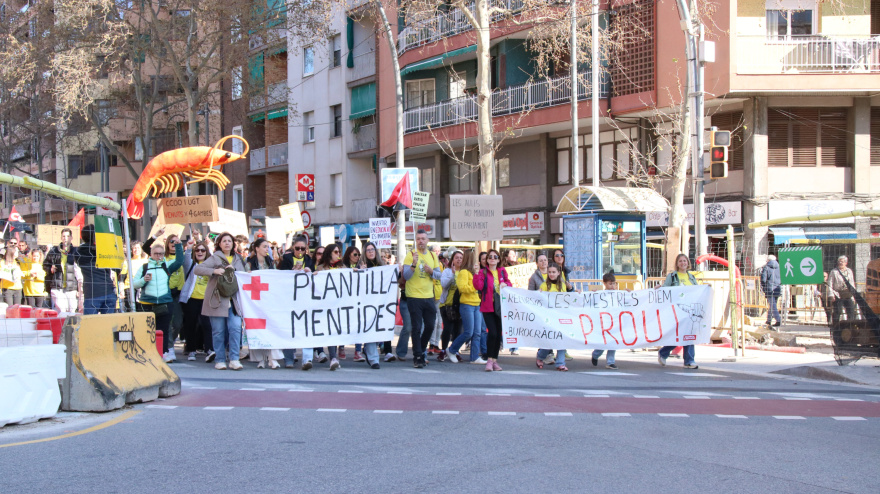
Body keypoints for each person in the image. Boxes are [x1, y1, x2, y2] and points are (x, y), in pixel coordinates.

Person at [194, 232, 246, 371]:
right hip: (217, 300)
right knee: (218, 331)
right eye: (224, 241)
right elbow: (198, 269)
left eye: (229, 241)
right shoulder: (215, 257)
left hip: (233, 301)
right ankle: (220, 360)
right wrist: (214, 271)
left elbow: (245, 275)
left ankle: (234, 359)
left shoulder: (238, 258)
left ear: (233, 244)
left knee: (235, 329)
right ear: (219, 244)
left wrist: (234, 269)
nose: (227, 243)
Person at [132, 238, 185, 363]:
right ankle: (146, 352)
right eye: (156, 254)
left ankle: (164, 352)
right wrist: (144, 280)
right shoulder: (144, 267)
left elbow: (179, 261)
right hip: (147, 303)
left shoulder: (166, 266)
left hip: (164, 302)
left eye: (161, 254)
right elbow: (134, 284)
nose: (158, 256)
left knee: (164, 329)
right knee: (147, 330)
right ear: (151, 254)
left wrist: (178, 246)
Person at [402, 229, 442, 369]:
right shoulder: (410, 255)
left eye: (423, 238)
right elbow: (405, 276)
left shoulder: (432, 255)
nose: (420, 241)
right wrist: (413, 265)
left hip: (429, 296)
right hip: (414, 296)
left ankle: (421, 349)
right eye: (418, 238)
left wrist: (431, 272)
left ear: (427, 241)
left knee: (430, 326)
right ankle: (418, 356)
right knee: (417, 327)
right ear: (416, 240)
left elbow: (439, 275)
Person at [245, 238, 283, 369]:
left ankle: (273, 358)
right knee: (257, 328)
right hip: (254, 301)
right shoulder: (249, 263)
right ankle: (260, 358)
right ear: (256, 248)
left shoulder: (270, 263)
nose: (267, 249)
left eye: (268, 247)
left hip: (268, 300)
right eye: (265, 247)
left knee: (272, 327)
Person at [657, 253, 700, 369]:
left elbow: (697, 290)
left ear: (688, 263)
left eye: (684, 261)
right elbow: (666, 288)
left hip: (689, 310)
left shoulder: (691, 277)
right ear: (677, 264)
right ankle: (664, 352)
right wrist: (660, 288)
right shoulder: (672, 276)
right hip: (677, 310)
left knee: (689, 335)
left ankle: (689, 360)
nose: (683, 263)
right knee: (678, 335)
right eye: (680, 261)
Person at [278, 235, 313, 368]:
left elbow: (315, 278)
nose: (299, 251)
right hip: (289, 299)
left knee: (308, 329)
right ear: (293, 248)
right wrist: (290, 272)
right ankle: (289, 359)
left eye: (302, 249)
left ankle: (307, 359)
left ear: (306, 249)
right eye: (297, 248)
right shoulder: (286, 259)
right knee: (289, 328)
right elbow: (280, 276)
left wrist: (310, 271)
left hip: (305, 299)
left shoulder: (309, 260)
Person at [473, 249, 510, 372]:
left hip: (500, 306)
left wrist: (506, 284)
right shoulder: (483, 272)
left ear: (499, 259)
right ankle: (489, 359)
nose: (492, 258)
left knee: (498, 333)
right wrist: (477, 273)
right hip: (488, 306)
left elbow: (509, 284)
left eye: (495, 257)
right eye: (490, 257)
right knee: (492, 333)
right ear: (487, 260)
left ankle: (494, 360)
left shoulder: (502, 271)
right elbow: (478, 286)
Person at [446, 249, 485, 364]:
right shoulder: (463, 272)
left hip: (477, 304)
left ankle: (474, 357)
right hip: (467, 304)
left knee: (477, 332)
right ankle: (452, 349)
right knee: (469, 332)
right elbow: (462, 288)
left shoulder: (475, 272)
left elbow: (481, 285)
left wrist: (477, 277)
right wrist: (475, 287)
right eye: (475, 258)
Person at [308, 244, 343, 370]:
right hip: (326, 305)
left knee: (336, 331)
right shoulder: (321, 268)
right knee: (330, 330)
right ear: (329, 253)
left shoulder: (342, 266)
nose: (338, 254)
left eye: (339, 252)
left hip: (340, 304)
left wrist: (355, 272)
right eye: (335, 252)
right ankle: (333, 357)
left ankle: (334, 356)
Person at [71, 225, 118, 315]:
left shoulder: (78, 253)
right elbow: (114, 268)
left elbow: (78, 261)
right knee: (108, 325)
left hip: (92, 293)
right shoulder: (104, 251)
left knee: (90, 325)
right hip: (108, 289)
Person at [180, 240, 214, 362]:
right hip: (191, 300)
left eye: (203, 250)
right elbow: (186, 259)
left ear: (207, 252)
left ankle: (209, 349)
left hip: (206, 300)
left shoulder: (211, 266)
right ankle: (191, 350)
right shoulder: (191, 264)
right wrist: (189, 248)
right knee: (190, 325)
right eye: (197, 250)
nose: (200, 252)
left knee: (207, 325)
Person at [535, 263, 569, 371]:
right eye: (549, 272)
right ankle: (540, 357)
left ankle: (560, 363)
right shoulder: (544, 286)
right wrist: (538, 294)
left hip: (560, 317)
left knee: (562, 339)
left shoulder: (562, 286)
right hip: (548, 318)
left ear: (559, 273)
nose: (551, 274)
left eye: (554, 272)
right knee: (549, 341)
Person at [364, 242, 392, 364]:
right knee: (370, 328)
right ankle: (373, 358)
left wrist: (396, 269)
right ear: (364, 252)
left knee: (382, 325)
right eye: (368, 250)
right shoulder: (362, 265)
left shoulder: (382, 265)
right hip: (367, 303)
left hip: (381, 302)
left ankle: (386, 350)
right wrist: (360, 272)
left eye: (373, 249)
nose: (371, 252)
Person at [592, 272, 624, 370]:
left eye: (614, 283)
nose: (612, 286)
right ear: (605, 284)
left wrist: (628, 293)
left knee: (613, 342)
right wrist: (594, 294)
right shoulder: (601, 294)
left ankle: (610, 362)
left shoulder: (618, 294)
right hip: (605, 322)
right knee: (604, 342)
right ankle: (596, 354)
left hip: (615, 321)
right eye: (610, 284)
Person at [44, 228, 78, 313]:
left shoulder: (76, 251)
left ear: (71, 238)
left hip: (72, 286)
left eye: (67, 236)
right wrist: (50, 269)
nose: (65, 238)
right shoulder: (54, 251)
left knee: (72, 311)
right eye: (63, 236)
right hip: (57, 286)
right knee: (62, 311)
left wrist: (79, 289)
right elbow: (45, 265)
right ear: (61, 238)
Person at [438, 249, 463, 362]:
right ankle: (443, 350)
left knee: (458, 329)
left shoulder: (464, 272)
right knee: (448, 328)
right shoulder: (447, 271)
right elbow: (443, 284)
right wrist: (453, 275)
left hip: (460, 305)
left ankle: (454, 350)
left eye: (461, 258)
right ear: (452, 259)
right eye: (456, 257)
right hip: (446, 304)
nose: (459, 260)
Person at [828, 255, 857, 325]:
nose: (840, 263)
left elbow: (852, 283)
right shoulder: (834, 271)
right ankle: (836, 326)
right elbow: (830, 283)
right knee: (837, 311)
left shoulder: (849, 271)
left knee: (851, 310)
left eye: (842, 262)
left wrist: (854, 295)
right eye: (839, 261)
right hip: (838, 294)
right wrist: (831, 295)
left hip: (847, 293)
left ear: (846, 263)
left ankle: (850, 326)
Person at [760, 254, 782, 327]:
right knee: (772, 305)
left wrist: (764, 287)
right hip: (777, 288)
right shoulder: (779, 267)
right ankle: (768, 320)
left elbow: (763, 279)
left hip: (769, 288)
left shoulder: (766, 267)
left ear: (768, 260)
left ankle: (778, 320)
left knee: (772, 306)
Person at [0, 241, 23, 305]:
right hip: (7, 288)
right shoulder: (2, 262)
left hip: (18, 288)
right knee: (9, 308)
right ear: (11, 252)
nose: (17, 253)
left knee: (17, 308)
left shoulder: (18, 261)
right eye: (16, 251)